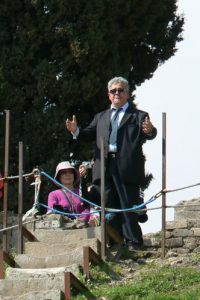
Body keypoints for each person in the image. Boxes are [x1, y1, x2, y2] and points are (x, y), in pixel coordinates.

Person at [66, 76, 157, 249]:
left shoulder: (138, 115)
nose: (117, 93)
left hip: (127, 166)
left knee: (128, 204)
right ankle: (115, 241)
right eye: (113, 91)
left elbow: (149, 133)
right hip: (104, 166)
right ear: (108, 95)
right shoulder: (100, 117)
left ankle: (133, 242)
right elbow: (87, 134)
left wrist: (150, 130)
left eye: (120, 90)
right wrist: (75, 130)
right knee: (108, 205)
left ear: (127, 94)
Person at [47, 161, 90, 225]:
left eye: (70, 172)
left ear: (74, 175)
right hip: (62, 230)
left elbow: (87, 209)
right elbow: (51, 214)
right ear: (59, 177)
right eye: (64, 173)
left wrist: (81, 221)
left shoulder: (81, 191)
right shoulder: (53, 195)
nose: (68, 174)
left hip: (81, 228)